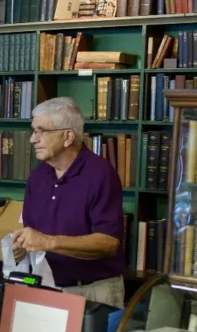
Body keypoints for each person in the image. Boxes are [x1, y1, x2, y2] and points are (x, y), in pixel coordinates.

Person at [12, 97, 125, 307]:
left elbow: (109, 243)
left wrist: (48, 242)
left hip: (92, 291)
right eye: (33, 131)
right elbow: (33, 233)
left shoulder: (101, 174)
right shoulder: (37, 176)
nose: (32, 139)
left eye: (40, 131)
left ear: (67, 137)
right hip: (45, 287)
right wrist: (22, 248)